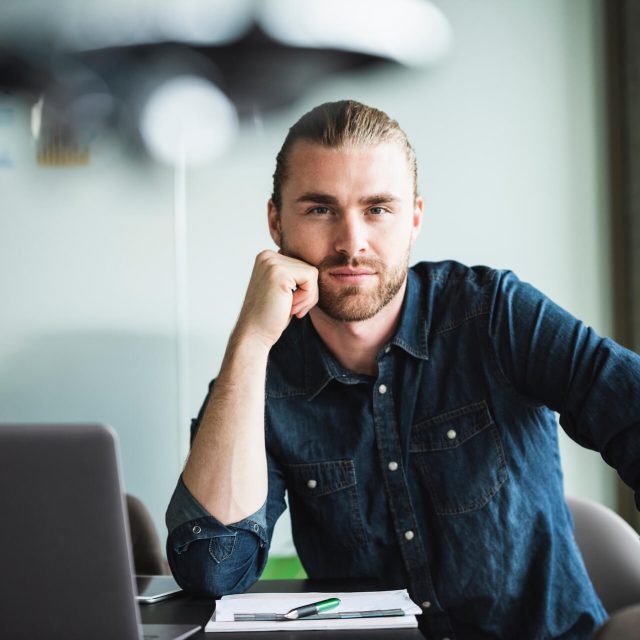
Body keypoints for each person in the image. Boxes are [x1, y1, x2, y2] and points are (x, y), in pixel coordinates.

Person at [165, 100, 640, 639]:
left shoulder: (496, 315)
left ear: (414, 217)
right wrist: (249, 344)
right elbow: (212, 567)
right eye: (320, 209)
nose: (351, 243)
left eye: (377, 209)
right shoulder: (264, 376)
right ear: (276, 221)